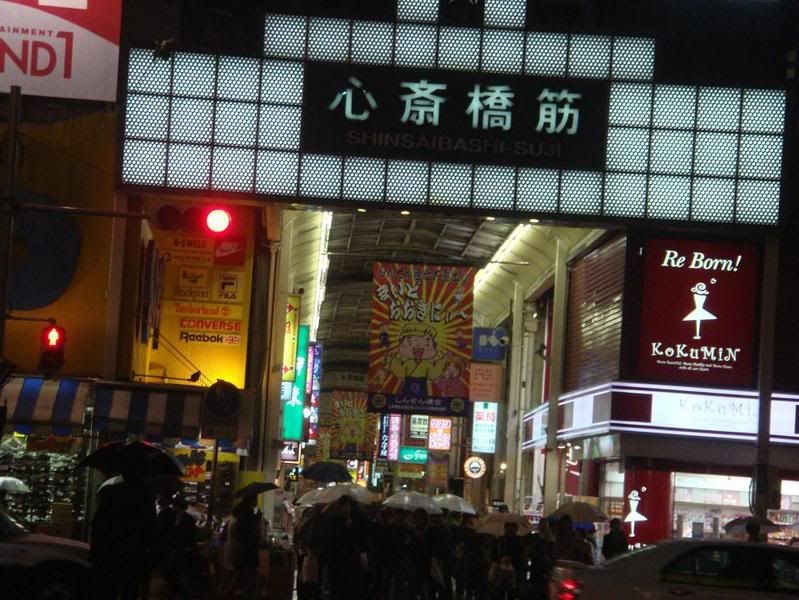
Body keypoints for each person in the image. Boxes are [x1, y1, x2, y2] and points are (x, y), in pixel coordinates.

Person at [89, 468, 157, 600]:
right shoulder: (145, 496)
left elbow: (98, 524)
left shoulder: (111, 492)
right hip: (133, 553)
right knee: (130, 589)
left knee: (107, 589)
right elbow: (150, 527)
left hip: (108, 552)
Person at [224, 495, 260, 599]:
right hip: (247, 552)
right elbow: (252, 535)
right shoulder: (249, 517)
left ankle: (226, 593)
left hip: (238, 550)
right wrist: (257, 519)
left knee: (239, 575)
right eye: (255, 499)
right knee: (248, 578)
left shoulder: (239, 516)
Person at [491, 522, 524, 599]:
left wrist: (512, 559)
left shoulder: (519, 541)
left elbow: (521, 555)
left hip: (515, 570)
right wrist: (500, 559)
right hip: (500, 569)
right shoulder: (500, 540)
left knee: (512, 592)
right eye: (509, 528)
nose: (510, 530)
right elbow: (493, 554)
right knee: (499, 591)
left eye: (512, 528)